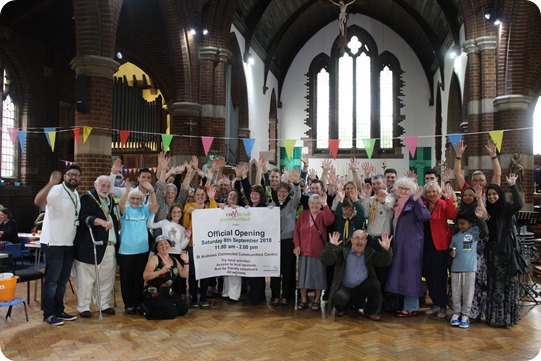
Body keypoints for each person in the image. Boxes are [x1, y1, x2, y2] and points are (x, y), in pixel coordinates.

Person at [34, 165, 82, 326]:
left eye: (76, 175)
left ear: (80, 178)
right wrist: (50, 183)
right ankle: (48, 314)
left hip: (68, 243)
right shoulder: (55, 190)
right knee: (52, 281)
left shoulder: (76, 194)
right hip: (54, 242)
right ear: (64, 177)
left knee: (62, 281)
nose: (73, 177)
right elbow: (38, 201)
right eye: (70, 174)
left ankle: (59, 310)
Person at [73, 175, 120, 318]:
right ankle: (83, 307)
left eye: (108, 186)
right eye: (102, 186)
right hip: (90, 246)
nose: (105, 189)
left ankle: (103, 304)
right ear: (95, 184)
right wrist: (99, 221)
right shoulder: (87, 198)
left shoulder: (110, 200)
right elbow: (83, 218)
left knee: (106, 278)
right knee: (86, 278)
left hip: (109, 245)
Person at [320, 230, 393, 320]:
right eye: (357, 238)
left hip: (362, 289)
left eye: (363, 239)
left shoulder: (370, 252)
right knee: (339, 297)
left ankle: (370, 312)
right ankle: (340, 308)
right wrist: (331, 246)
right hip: (345, 289)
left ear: (366, 241)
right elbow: (325, 260)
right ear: (351, 240)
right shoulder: (342, 252)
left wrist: (386, 250)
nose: (360, 241)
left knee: (375, 284)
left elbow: (385, 262)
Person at [385, 177, 431, 317]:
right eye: (401, 188)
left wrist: (417, 200)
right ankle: (406, 305)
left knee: (411, 275)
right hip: (401, 245)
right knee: (402, 274)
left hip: (411, 246)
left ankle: (412, 307)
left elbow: (425, 216)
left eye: (407, 189)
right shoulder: (398, 204)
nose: (404, 191)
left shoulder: (414, 201)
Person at [485, 174, 523, 327]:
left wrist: (513, 186)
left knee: (506, 284)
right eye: (489, 195)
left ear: (499, 195)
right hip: (492, 251)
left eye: (494, 194)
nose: (492, 197)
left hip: (505, 251)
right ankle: (494, 317)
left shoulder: (506, 207)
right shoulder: (487, 208)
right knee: (494, 284)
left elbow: (519, 204)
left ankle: (506, 318)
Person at [118, 179, 158, 315]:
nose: (135, 201)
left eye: (138, 199)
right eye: (133, 198)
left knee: (139, 278)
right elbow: (121, 205)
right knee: (126, 279)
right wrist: (127, 191)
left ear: (142, 200)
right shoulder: (126, 209)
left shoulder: (144, 210)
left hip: (142, 250)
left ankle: (137, 303)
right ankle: (128, 305)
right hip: (126, 251)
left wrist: (151, 191)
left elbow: (155, 206)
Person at [294, 193, 335, 311]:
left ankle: (317, 300)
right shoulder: (303, 215)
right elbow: (296, 232)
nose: (315, 205)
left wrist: (325, 205)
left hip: (318, 252)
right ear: (308, 204)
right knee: (302, 277)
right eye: (312, 203)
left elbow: (329, 221)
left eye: (317, 203)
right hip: (303, 252)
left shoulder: (323, 214)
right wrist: (297, 245)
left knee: (318, 277)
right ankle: (303, 300)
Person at [422, 181, 457, 319]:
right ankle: (435, 303)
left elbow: (453, 215)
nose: (431, 194)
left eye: (434, 192)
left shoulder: (443, 204)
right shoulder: (423, 205)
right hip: (426, 245)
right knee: (429, 276)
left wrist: (448, 199)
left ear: (438, 192)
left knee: (440, 277)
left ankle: (443, 306)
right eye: (429, 192)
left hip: (440, 246)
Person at [449, 210, 488, 328]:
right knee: (456, 293)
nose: (460, 226)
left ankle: (465, 315)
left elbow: (485, 232)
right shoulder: (455, 237)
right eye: (459, 224)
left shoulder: (474, 233)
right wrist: (452, 253)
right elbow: (451, 249)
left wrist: (480, 219)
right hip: (456, 269)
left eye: (463, 224)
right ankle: (456, 313)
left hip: (470, 269)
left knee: (468, 293)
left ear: (470, 224)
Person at [456, 185, 488, 321]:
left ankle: (475, 312)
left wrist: (479, 198)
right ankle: (462, 312)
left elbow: (485, 228)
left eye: (470, 195)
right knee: (461, 282)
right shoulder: (460, 209)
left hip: (476, 249)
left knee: (475, 281)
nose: (467, 197)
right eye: (465, 195)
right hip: (461, 248)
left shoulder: (478, 209)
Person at [182, 185, 218, 308]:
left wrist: (212, 198)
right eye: (198, 194)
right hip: (192, 245)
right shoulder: (188, 207)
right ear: (194, 196)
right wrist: (188, 215)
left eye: (203, 195)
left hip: (206, 246)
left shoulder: (209, 207)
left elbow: (215, 216)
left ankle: (203, 296)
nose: (200, 197)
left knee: (205, 272)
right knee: (192, 273)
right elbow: (185, 225)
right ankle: (193, 297)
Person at [270, 171, 301, 306]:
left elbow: (298, 196)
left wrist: (295, 183)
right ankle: (275, 295)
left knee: (288, 270)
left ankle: (286, 296)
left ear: (288, 193)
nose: (282, 193)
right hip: (274, 243)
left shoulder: (291, 205)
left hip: (288, 242)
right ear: (276, 193)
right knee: (275, 270)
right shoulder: (271, 206)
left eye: (284, 191)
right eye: (279, 191)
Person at [142, 235, 190, 319]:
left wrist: (186, 262)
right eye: (161, 244)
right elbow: (145, 276)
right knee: (172, 312)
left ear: (169, 245)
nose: (164, 246)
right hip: (154, 291)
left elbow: (184, 274)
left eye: (166, 243)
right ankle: (147, 312)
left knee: (183, 309)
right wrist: (160, 272)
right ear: (157, 247)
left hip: (168, 291)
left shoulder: (174, 259)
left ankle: (166, 307)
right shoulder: (155, 259)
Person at [148, 204, 190, 294]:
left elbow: (182, 246)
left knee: (178, 279)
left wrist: (188, 238)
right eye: (174, 212)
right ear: (170, 213)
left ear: (181, 214)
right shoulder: (165, 222)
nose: (176, 214)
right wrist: (153, 214)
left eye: (178, 212)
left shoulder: (182, 228)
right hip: (166, 254)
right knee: (166, 277)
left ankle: (178, 297)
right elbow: (150, 225)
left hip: (177, 255)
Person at [242, 184, 269, 306]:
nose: (253, 195)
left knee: (257, 272)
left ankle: (255, 297)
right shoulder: (248, 208)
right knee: (251, 271)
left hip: (259, 245)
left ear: (261, 196)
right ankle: (258, 295)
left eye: (256, 194)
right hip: (249, 245)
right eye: (252, 193)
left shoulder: (264, 208)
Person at [221, 189, 244, 303]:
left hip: (237, 243)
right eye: (230, 195)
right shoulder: (222, 209)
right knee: (226, 268)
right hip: (225, 243)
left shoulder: (241, 210)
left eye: (235, 196)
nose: (232, 197)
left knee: (235, 269)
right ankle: (226, 292)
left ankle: (234, 295)